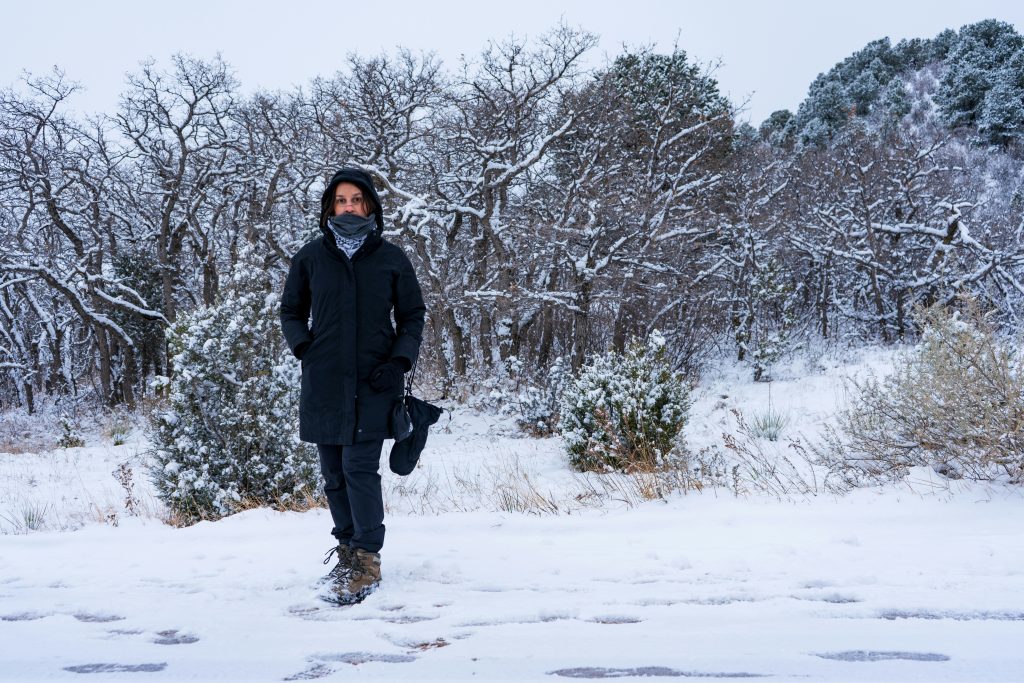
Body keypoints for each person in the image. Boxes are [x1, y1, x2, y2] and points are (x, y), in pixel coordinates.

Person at [280, 167, 426, 605]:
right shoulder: (310, 257)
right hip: (323, 383)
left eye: (356, 200)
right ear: (329, 207)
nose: (349, 207)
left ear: (370, 206)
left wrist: (399, 360)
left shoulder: (391, 258)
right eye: (341, 200)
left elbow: (413, 314)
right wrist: (305, 348)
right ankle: (346, 550)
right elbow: (290, 311)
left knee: (359, 470)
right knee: (333, 474)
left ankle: (367, 559)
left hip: (375, 380)